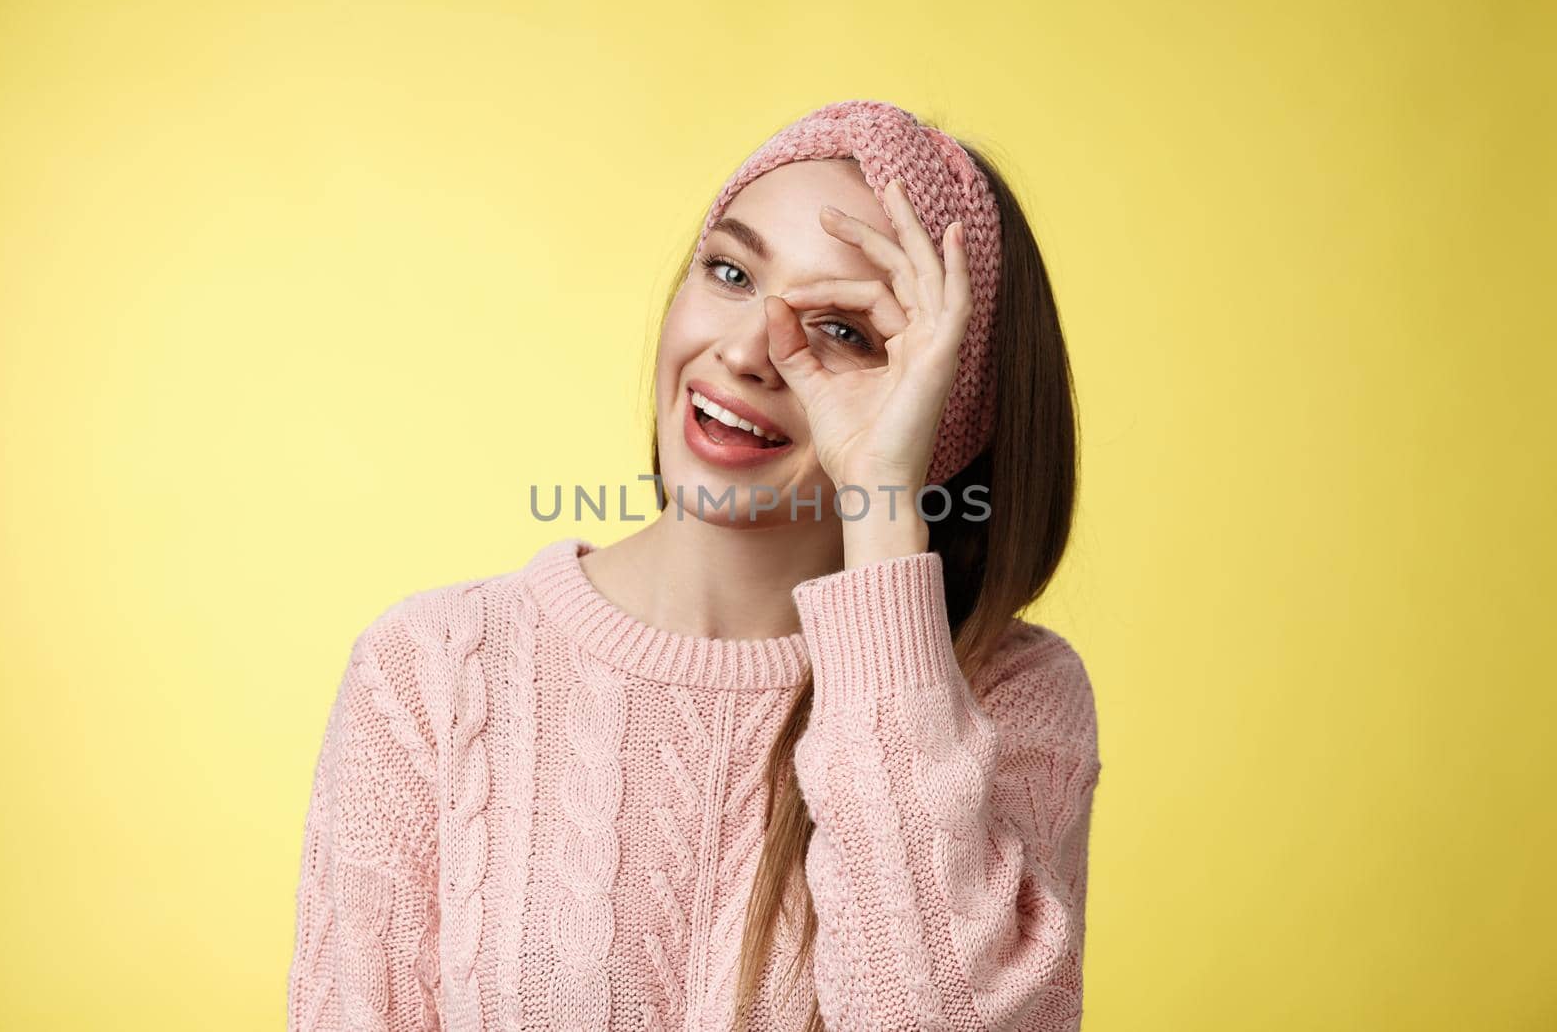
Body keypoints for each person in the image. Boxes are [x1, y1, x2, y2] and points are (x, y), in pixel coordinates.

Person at [285, 99, 1101, 1032]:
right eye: (730, 270)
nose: (750, 349)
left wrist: (881, 498)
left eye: (845, 330)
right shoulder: (432, 668)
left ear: (940, 413)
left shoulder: (1008, 693)